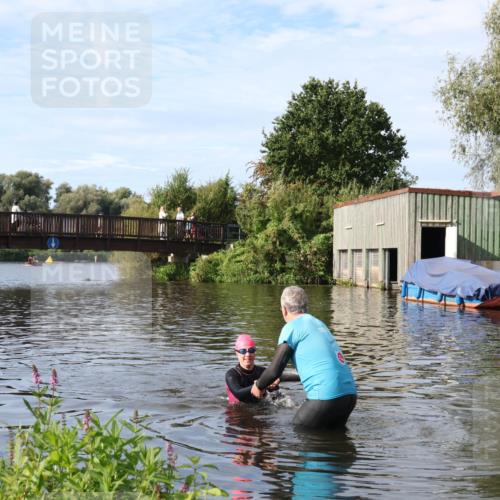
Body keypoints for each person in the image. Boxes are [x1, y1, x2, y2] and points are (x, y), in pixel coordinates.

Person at [251, 286, 357, 429]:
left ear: (284, 310)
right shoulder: (319, 324)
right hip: (349, 395)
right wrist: (279, 378)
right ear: (306, 307)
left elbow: (274, 370)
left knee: (298, 432)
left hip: (326, 396)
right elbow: (313, 370)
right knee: (333, 440)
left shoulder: (292, 327)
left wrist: (258, 386)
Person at [225, 334, 280, 404]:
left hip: (260, 408)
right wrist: (259, 385)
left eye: (251, 350)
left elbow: (275, 397)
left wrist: (273, 387)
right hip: (237, 410)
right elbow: (238, 393)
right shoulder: (232, 374)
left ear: (255, 352)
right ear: (237, 353)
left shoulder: (263, 371)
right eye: (243, 351)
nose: (248, 354)